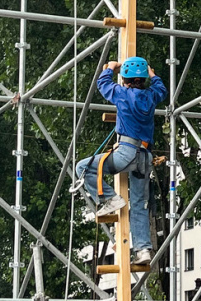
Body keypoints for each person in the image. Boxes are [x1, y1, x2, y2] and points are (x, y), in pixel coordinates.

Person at [75, 56, 167, 266]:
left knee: (83, 167)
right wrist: (153, 75)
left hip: (126, 152)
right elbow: (161, 89)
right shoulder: (152, 96)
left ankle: (110, 198)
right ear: (144, 79)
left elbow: (102, 84)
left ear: (124, 78)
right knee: (138, 205)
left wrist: (109, 67)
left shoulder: (122, 93)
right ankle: (143, 250)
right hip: (144, 156)